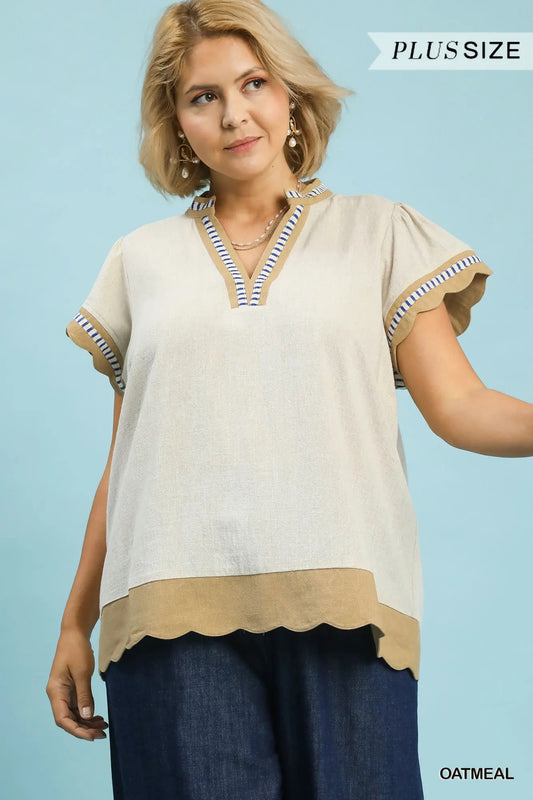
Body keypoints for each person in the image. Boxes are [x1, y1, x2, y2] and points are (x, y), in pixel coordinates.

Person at [46, 1, 533, 798]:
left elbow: (462, 407)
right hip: (167, 618)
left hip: (344, 605)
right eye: (203, 96)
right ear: (177, 122)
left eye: (253, 84)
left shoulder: (379, 233)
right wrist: (75, 622)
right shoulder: (140, 261)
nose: (234, 115)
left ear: (290, 94)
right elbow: (126, 459)